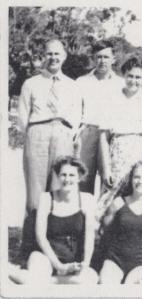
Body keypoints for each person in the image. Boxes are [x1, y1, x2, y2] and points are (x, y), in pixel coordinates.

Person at [17, 39, 82, 261]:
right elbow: (23, 117)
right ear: (43, 55)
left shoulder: (73, 85)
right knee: (35, 196)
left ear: (64, 56)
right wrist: (38, 131)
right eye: (49, 53)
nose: (53, 57)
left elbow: (76, 115)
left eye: (57, 54)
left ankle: (56, 250)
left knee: (59, 189)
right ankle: (29, 249)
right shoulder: (31, 83)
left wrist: (66, 133)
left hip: (62, 133)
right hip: (37, 133)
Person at [9, 156, 98, 284]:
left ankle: (43, 281)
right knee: (39, 270)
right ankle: (36, 278)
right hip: (45, 256)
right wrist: (59, 266)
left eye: (72, 175)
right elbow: (40, 237)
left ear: (79, 177)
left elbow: (90, 237)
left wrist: (85, 263)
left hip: (73, 259)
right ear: (57, 176)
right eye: (63, 175)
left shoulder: (87, 199)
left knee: (90, 279)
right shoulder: (46, 198)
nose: (67, 179)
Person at [97, 57, 142, 217]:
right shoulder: (112, 98)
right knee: (112, 193)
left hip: (141, 149)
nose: (133, 80)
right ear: (123, 75)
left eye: (138, 77)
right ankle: (101, 235)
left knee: (138, 192)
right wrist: (106, 168)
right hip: (119, 149)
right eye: (130, 76)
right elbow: (103, 136)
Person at [99, 161, 142, 284]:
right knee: (106, 286)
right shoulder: (118, 203)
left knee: (135, 289)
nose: (140, 181)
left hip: (139, 265)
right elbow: (105, 233)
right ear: (131, 179)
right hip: (114, 261)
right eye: (137, 177)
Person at [75, 40, 123, 194]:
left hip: (110, 136)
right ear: (94, 58)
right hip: (88, 133)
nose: (102, 61)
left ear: (113, 59)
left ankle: (101, 217)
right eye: (99, 57)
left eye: (106, 57)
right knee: (82, 179)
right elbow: (75, 110)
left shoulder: (121, 83)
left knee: (109, 181)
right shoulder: (82, 81)